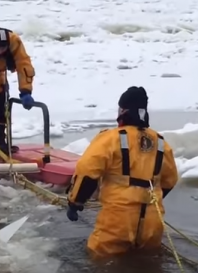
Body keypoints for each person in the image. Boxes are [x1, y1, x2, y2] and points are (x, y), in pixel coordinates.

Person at [65, 86, 179, 258]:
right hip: (153, 220)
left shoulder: (110, 138)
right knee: (148, 262)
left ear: (123, 110)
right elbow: (170, 180)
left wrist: (75, 202)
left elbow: (87, 172)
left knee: (100, 261)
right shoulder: (161, 142)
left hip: (118, 219)